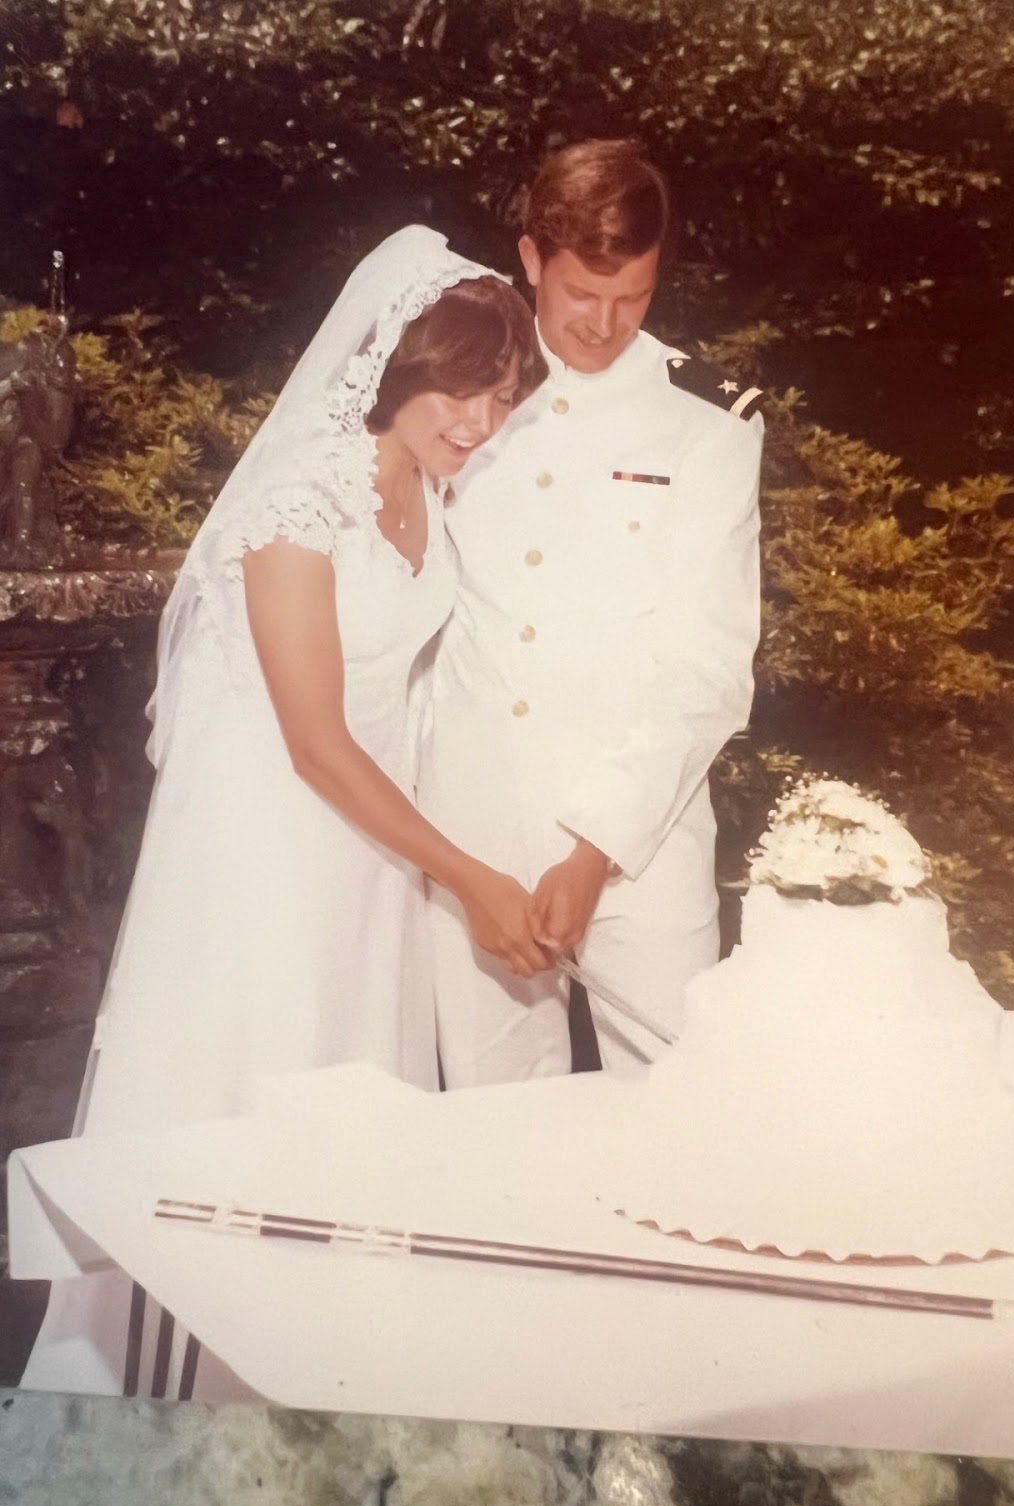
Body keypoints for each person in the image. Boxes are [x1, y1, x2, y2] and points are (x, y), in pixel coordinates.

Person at [18, 225, 549, 1397]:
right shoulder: (296, 501)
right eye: (462, 388)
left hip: (370, 859)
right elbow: (314, 741)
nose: (479, 420)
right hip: (269, 848)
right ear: (401, 366)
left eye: (503, 397)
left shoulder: (430, 482)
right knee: (246, 1101)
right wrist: (468, 876)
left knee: (348, 1123)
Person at [421, 140, 765, 1084]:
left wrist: (594, 850)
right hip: (475, 831)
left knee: (673, 1122)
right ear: (531, 259)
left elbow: (710, 667)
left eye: (635, 298)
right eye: (582, 295)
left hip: (640, 842)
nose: (605, 324)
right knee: (494, 1139)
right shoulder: (452, 382)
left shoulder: (708, 419)